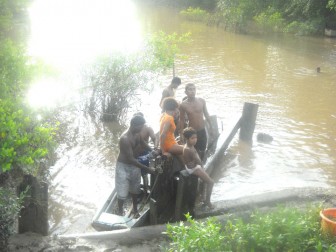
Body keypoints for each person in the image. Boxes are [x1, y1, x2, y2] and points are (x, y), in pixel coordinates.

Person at [115, 115, 156, 217]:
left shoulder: (137, 134)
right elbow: (130, 159)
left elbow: (143, 143)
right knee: (122, 192)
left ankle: (135, 209)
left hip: (135, 165)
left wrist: (153, 151)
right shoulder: (125, 139)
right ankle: (120, 211)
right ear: (134, 125)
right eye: (141, 126)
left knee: (135, 189)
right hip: (123, 166)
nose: (142, 129)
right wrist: (148, 169)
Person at [179, 83, 213, 161]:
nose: (192, 91)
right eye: (190, 89)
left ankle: (201, 163)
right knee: (193, 150)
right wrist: (181, 133)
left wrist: (211, 127)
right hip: (192, 131)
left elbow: (207, 114)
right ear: (186, 92)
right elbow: (181, 120)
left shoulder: (201, 101)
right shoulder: (183, 105)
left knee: (203, 148)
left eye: (194, 89)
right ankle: (196, 165)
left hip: (202, 129)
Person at [182, 127, 214, 208]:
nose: (195, 140)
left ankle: (202, 197)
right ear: (186, 138)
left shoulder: (189, 145)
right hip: (193, 169)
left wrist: (196, 162)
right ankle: (208, 202)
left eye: (196, 137)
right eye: (192, 138)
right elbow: (199, 162)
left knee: (204, 180)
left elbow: (195, 160)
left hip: (193, 166)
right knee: (211, 182)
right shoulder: (189, 149)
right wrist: (197, 163)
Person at [133, 112, 157, 193]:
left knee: (144, 173)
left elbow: (154, 138)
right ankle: (137, 190)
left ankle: (146, 190)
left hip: (144, 154)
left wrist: (156, 148)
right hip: (134, 154)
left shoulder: (148, 128)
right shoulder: (132, 130)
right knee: (135, 174)